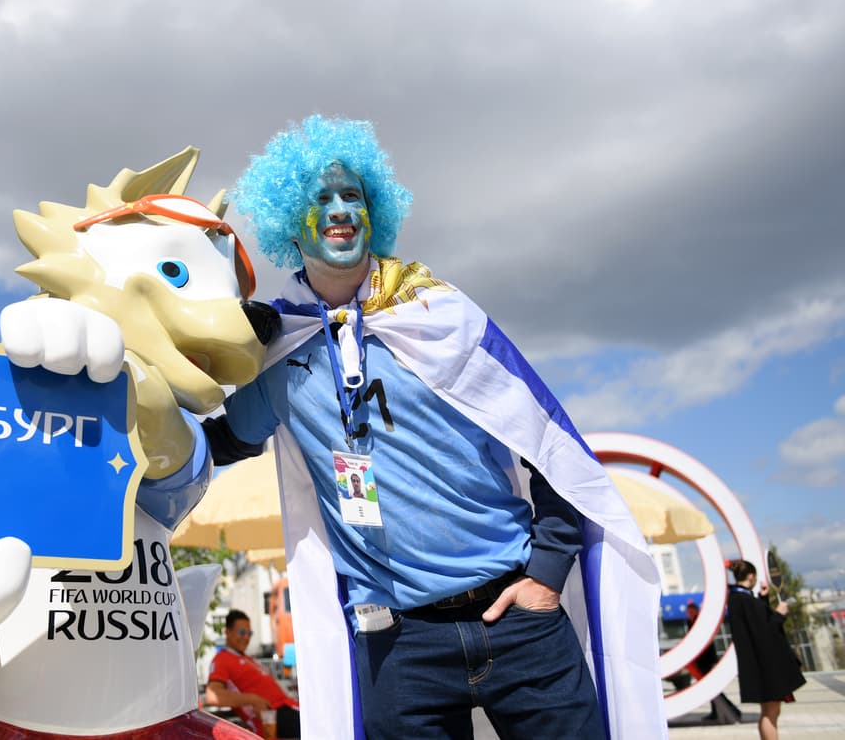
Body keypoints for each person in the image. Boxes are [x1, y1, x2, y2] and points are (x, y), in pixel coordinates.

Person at [205, 115, 664, 739]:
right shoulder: (280, 351)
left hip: (519, 619)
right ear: (291, 221)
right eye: (320, 199)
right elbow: (217, 441)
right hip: (400, 647)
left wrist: (547, 576)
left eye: (354, 196)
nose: (341, 211)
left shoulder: (438, 316)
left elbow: (550, 447)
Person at [726, 559, 805, 740]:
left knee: (769, 711)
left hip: (759, 666)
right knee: (771, 712)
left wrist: (762, 599)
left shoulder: (738, 598)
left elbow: (757, 622)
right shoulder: (744, 599)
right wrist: (779, 614)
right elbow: (765, 630)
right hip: (766, 667)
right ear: (751, 576)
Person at [205, 610, 300, 738]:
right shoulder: (222, 659)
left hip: (287, 709)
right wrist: (252, 699)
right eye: (242, 632)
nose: (246, 637)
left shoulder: (247, 658)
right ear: (227, 632)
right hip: (274, 717)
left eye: (249, 633)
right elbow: (212, 696)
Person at [684, 600, 740, 723]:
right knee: (710, 688)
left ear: (696, 610)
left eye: (691, 610)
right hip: (698, 660)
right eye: (688, 611)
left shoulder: (699, 622)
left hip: (706, 659)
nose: (689, 613)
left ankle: (729, 709)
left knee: (712, 687)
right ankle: (720, 710)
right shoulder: (690, 622)